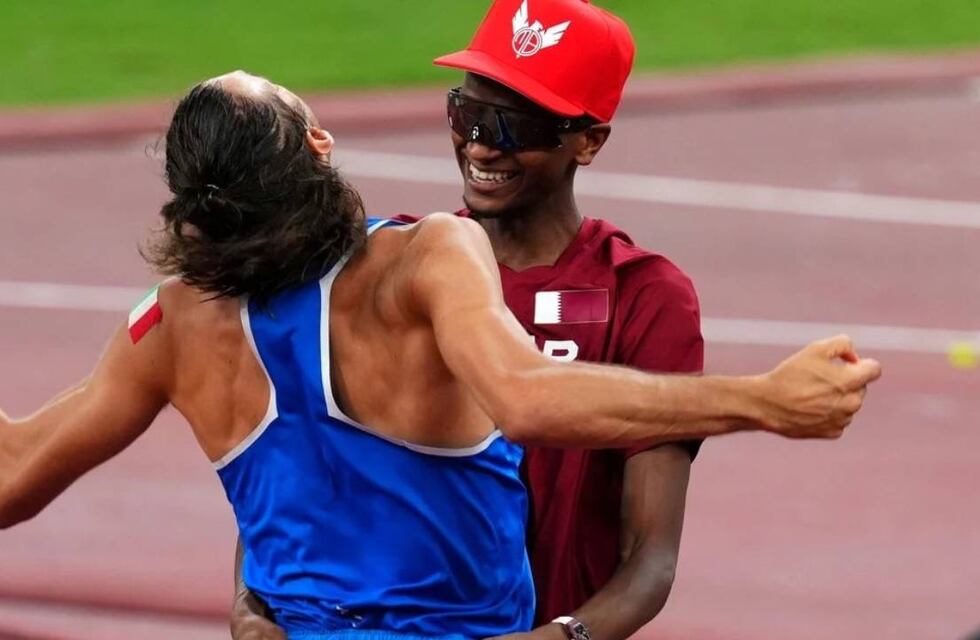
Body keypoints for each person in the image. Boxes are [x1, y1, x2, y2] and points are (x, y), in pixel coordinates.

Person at [0, 71, 880, 640]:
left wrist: (249, 597)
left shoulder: (172, 325)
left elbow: (13, 477)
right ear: (318, 144)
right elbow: (529, 398)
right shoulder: (427, 259)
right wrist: (764, 400)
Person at [231, 2, 734, 639]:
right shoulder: (391, 267)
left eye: (514, 126)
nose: (478, 143)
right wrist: (249, 602)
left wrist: (556, 637)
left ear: (588, 140)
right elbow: (284, 455)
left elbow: (650, 559)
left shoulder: (642, 296)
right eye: (466, 113)